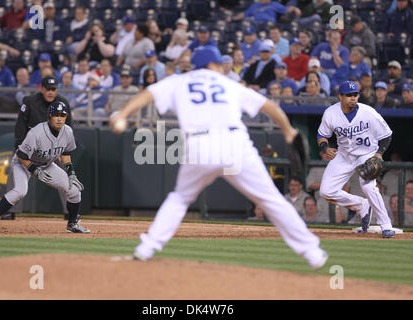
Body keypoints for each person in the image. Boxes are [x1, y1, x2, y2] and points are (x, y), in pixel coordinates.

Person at [109, 45, 329, 270]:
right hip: (235, 143)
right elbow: (269, 106)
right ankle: (312, 253)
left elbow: (148, 94)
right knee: (271, 199)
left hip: (199, 145)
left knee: (180, 198)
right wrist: (288, 131)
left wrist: (123, 114)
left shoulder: (179, 81)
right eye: (221, 64)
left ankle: (146, 248)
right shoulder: (228, 84)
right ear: (213, 64)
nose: (225, 68)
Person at [0, 101, 89, 233]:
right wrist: (34, 170)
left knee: (74, 190)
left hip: (46, 165)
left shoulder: (67, 131)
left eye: (62, 115)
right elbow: (21, 155)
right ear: (49, 116)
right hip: (23, 164)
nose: (59, 118)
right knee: (20, 191)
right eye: (56, 115)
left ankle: (72, 224)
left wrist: (71, 173)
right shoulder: (36, 133)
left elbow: (65, 153)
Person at [317, 80, 396, 238]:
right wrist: (325, 148)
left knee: (368, 187)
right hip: (344, 155)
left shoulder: (369, 112)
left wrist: (379, 154)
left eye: (355, 95)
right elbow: (322, 135)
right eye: (349, 95)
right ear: (340, 96)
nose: (353, 98)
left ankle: (386, 224)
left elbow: (387, 135)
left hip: (366, 154)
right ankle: (361, 205)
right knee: (326, 191)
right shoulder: (331, 113)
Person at [0, 75, 73, 220]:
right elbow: (20, 126)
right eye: (48, 89)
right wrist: (20, 147)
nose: (51, 92)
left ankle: (70, 210)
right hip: (31, 147)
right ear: (42, 89)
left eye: (53, 89)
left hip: (53, 149)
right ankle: (10, 210)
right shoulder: (30, 101)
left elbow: (68, 128)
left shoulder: (63, 102)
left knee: (67, 175)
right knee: (15, 174)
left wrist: (62, 149)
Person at [230, 0, 301, 25]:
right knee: (247, 21)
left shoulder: (274, 4)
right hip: (257, 25)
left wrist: (295, 8)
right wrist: (233, 18)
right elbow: (244, 14)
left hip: (269, 26)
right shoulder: (255, 5)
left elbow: (287, 9)